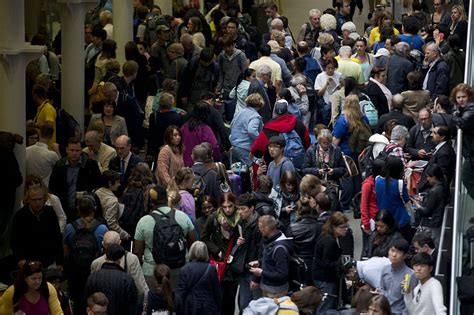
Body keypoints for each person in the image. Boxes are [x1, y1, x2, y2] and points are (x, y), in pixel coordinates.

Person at [133, 184, 196, 286]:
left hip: (152, 272)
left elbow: (137, 252)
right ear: (166, 197)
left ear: (151, 202)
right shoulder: (183, 217)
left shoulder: (144, 221)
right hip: (180, 270)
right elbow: (193, 244)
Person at [63, 195, 108, 315]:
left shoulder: (69, 228)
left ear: (78, 209)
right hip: (94, 273)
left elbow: (66, 253)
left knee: (76, 304)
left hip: (74, 274)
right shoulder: (102, 229)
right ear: (94, 208)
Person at [201, 192, 239, 314]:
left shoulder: (240, 218)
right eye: (225, 206)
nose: (228, 210)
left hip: (234, 264)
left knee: (231, 300)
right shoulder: (214, 218)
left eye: (230, 206)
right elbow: (204, 237)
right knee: (219, 299)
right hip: (220, 263)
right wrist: (217, 251)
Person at [11, 185, 63, 268]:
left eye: (40, 199)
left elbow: (57, 237)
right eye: (34, 200)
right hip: (29, 262)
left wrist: (59, 262)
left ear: (44, 199)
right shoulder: (20, 216)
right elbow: (15, 241)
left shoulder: (49, 212)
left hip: (49, 260)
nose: (38, 203)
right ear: (28, 200)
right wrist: (20, 258)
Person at [332, 94, 367, 211]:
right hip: (360, 152)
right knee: (357, 178)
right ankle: (356, 203)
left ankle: (345, 204)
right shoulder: (363, 118)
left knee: (346, 178)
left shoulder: (343, 120)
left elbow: (335, 140)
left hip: (346, 154)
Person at [250, 100, 310, 165]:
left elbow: (258, 150)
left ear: (274, 111)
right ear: (287, 110)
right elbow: (307, 142)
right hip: (297, 162)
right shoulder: (298, 123)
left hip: (274, 165)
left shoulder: (268, 128)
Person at [91, 231, 148, 297]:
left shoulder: (96, 263)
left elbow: (93, 289)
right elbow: (140, 287)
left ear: (103, 244)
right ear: (119, 242)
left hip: (104, 303)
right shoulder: (131, 259)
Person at [85, 244, 137, 315]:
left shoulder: (93, 277)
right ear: (120, 259)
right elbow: (132, 306)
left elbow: (87, 300)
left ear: (105, 257)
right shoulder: (127, 279)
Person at [312, 211, 349, 313]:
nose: (346, 229)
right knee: (325, 308)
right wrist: (341, 265)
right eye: (343, 227)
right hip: (325, 279)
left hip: (324, 277)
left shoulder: (330, 236)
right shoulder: (329, 241)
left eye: (346, 226)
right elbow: (326, 263)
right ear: (334, 227)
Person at [249, 215, 292, 298]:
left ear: (267, 228)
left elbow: (282, 274)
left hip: (276, 293)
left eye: (260, 227)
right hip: (268, 289)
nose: (259, 230)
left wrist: (261, 272)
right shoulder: (270, 241)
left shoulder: (279, 248)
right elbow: (271, 260)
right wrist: (259, 262)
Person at [175, 241, 222, 315]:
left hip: (191, 307)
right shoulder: (211, 269)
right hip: (208, 306)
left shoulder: (185, 269)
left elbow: (180, 293)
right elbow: (217, 292)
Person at [234, 193, 262, 310]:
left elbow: (261, 252)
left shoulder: (260, 226)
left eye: (243, 209)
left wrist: (256, 278)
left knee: (255, 306)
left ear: (252, 208)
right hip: (243, 269)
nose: (240, 212)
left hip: (254, 271)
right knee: (243, 305)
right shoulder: (241, 223)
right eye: (238, 209)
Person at [375, 156, 412, 242]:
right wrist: (409, 180)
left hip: (384, 221)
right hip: (400, 221)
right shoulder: (399, 183)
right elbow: (406, 201)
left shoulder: (377, 180)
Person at [286, 199, 321, 285]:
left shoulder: (292, 228)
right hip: (315, 263)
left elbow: (289, 249)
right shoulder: (319, 227)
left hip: (298, 265)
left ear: (297, 212)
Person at [378, 238, 417, 314]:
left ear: (405, 256)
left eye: (398, 252)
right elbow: (381, 289)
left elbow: (411, 300)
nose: (394, 255)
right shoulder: (385, 270)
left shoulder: (410, 275)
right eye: (392, 250)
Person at [414, 164, 448, 247]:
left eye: (429, 177)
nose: (428, 179)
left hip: (432, 223)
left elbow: (426, 211)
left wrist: (417, 205)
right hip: (438, 221)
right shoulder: (443, 184)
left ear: (434, 177)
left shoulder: (434, 191)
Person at [147, 93, 184, 164]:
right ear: (172, 104)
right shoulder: (178, 117)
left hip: (157, 147)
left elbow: (151, 134)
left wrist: (149, 151)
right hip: (173, 147)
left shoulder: (153, 116)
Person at [417, 125, 455, 192]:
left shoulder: (444, 153)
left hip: (431, 190)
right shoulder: (442, 149)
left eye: (434, 133)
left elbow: (442, 177)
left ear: (442, 137)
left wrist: (429, 193)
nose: (431, 135)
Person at [181, 101, 220, 166]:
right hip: (200, 165)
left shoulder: (184, 127)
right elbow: (214, 147)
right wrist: (216, 158)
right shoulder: (205, 129)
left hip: (184, 165)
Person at [230, 93, 264, 166]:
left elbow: (232, 125)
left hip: (234, 146)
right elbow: (252, 131)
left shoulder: (240, 112)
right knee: (252, 168)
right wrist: (260, 140)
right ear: (260, 104)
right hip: (245, 147)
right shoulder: (255, 116)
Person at [360, 159, 385, 254]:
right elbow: (364, 205)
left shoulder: (381, 182)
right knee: (367, 248)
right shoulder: (368, 184)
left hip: (379, 220)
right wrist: (366, 224)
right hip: (370, 221)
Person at [314, 58, 342, 125]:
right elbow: (319, 93)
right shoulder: (320, 76)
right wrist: (326, 84)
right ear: (325, 67)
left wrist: (337, 87)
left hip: (338, 102)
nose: (330, 70)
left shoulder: (340, 75)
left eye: (332, 68)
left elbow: (344, 90)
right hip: (325, 103)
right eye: (328, 68)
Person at [32, 84, 57, 148]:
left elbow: (49, 127)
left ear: (35, 95)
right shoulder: (41, 108)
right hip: (41, 145)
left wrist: (34, 125)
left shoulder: (48, 108)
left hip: (48, 146)